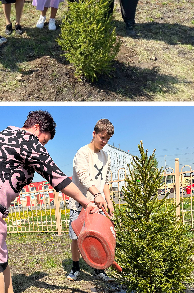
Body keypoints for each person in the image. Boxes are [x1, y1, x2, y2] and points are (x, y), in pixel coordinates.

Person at [0, 111, 104, 293]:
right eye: (44, 141)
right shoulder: (28, 141)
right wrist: (86, 202)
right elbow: (57, 177)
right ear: (37, 128)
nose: (42, 146)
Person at [65, 119, 117, 283]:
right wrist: (96, 194)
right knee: (76, 237)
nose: (104, 142)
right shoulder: (82, 153)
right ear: (94, 134)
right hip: (80, 203)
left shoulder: (106, 156)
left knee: (98, 236)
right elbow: (84, 177)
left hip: (98, 205)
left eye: (107, 139)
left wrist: (108, 201)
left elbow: (105, 181)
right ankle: (75, 268)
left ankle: (98, 269)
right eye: (102, 137)